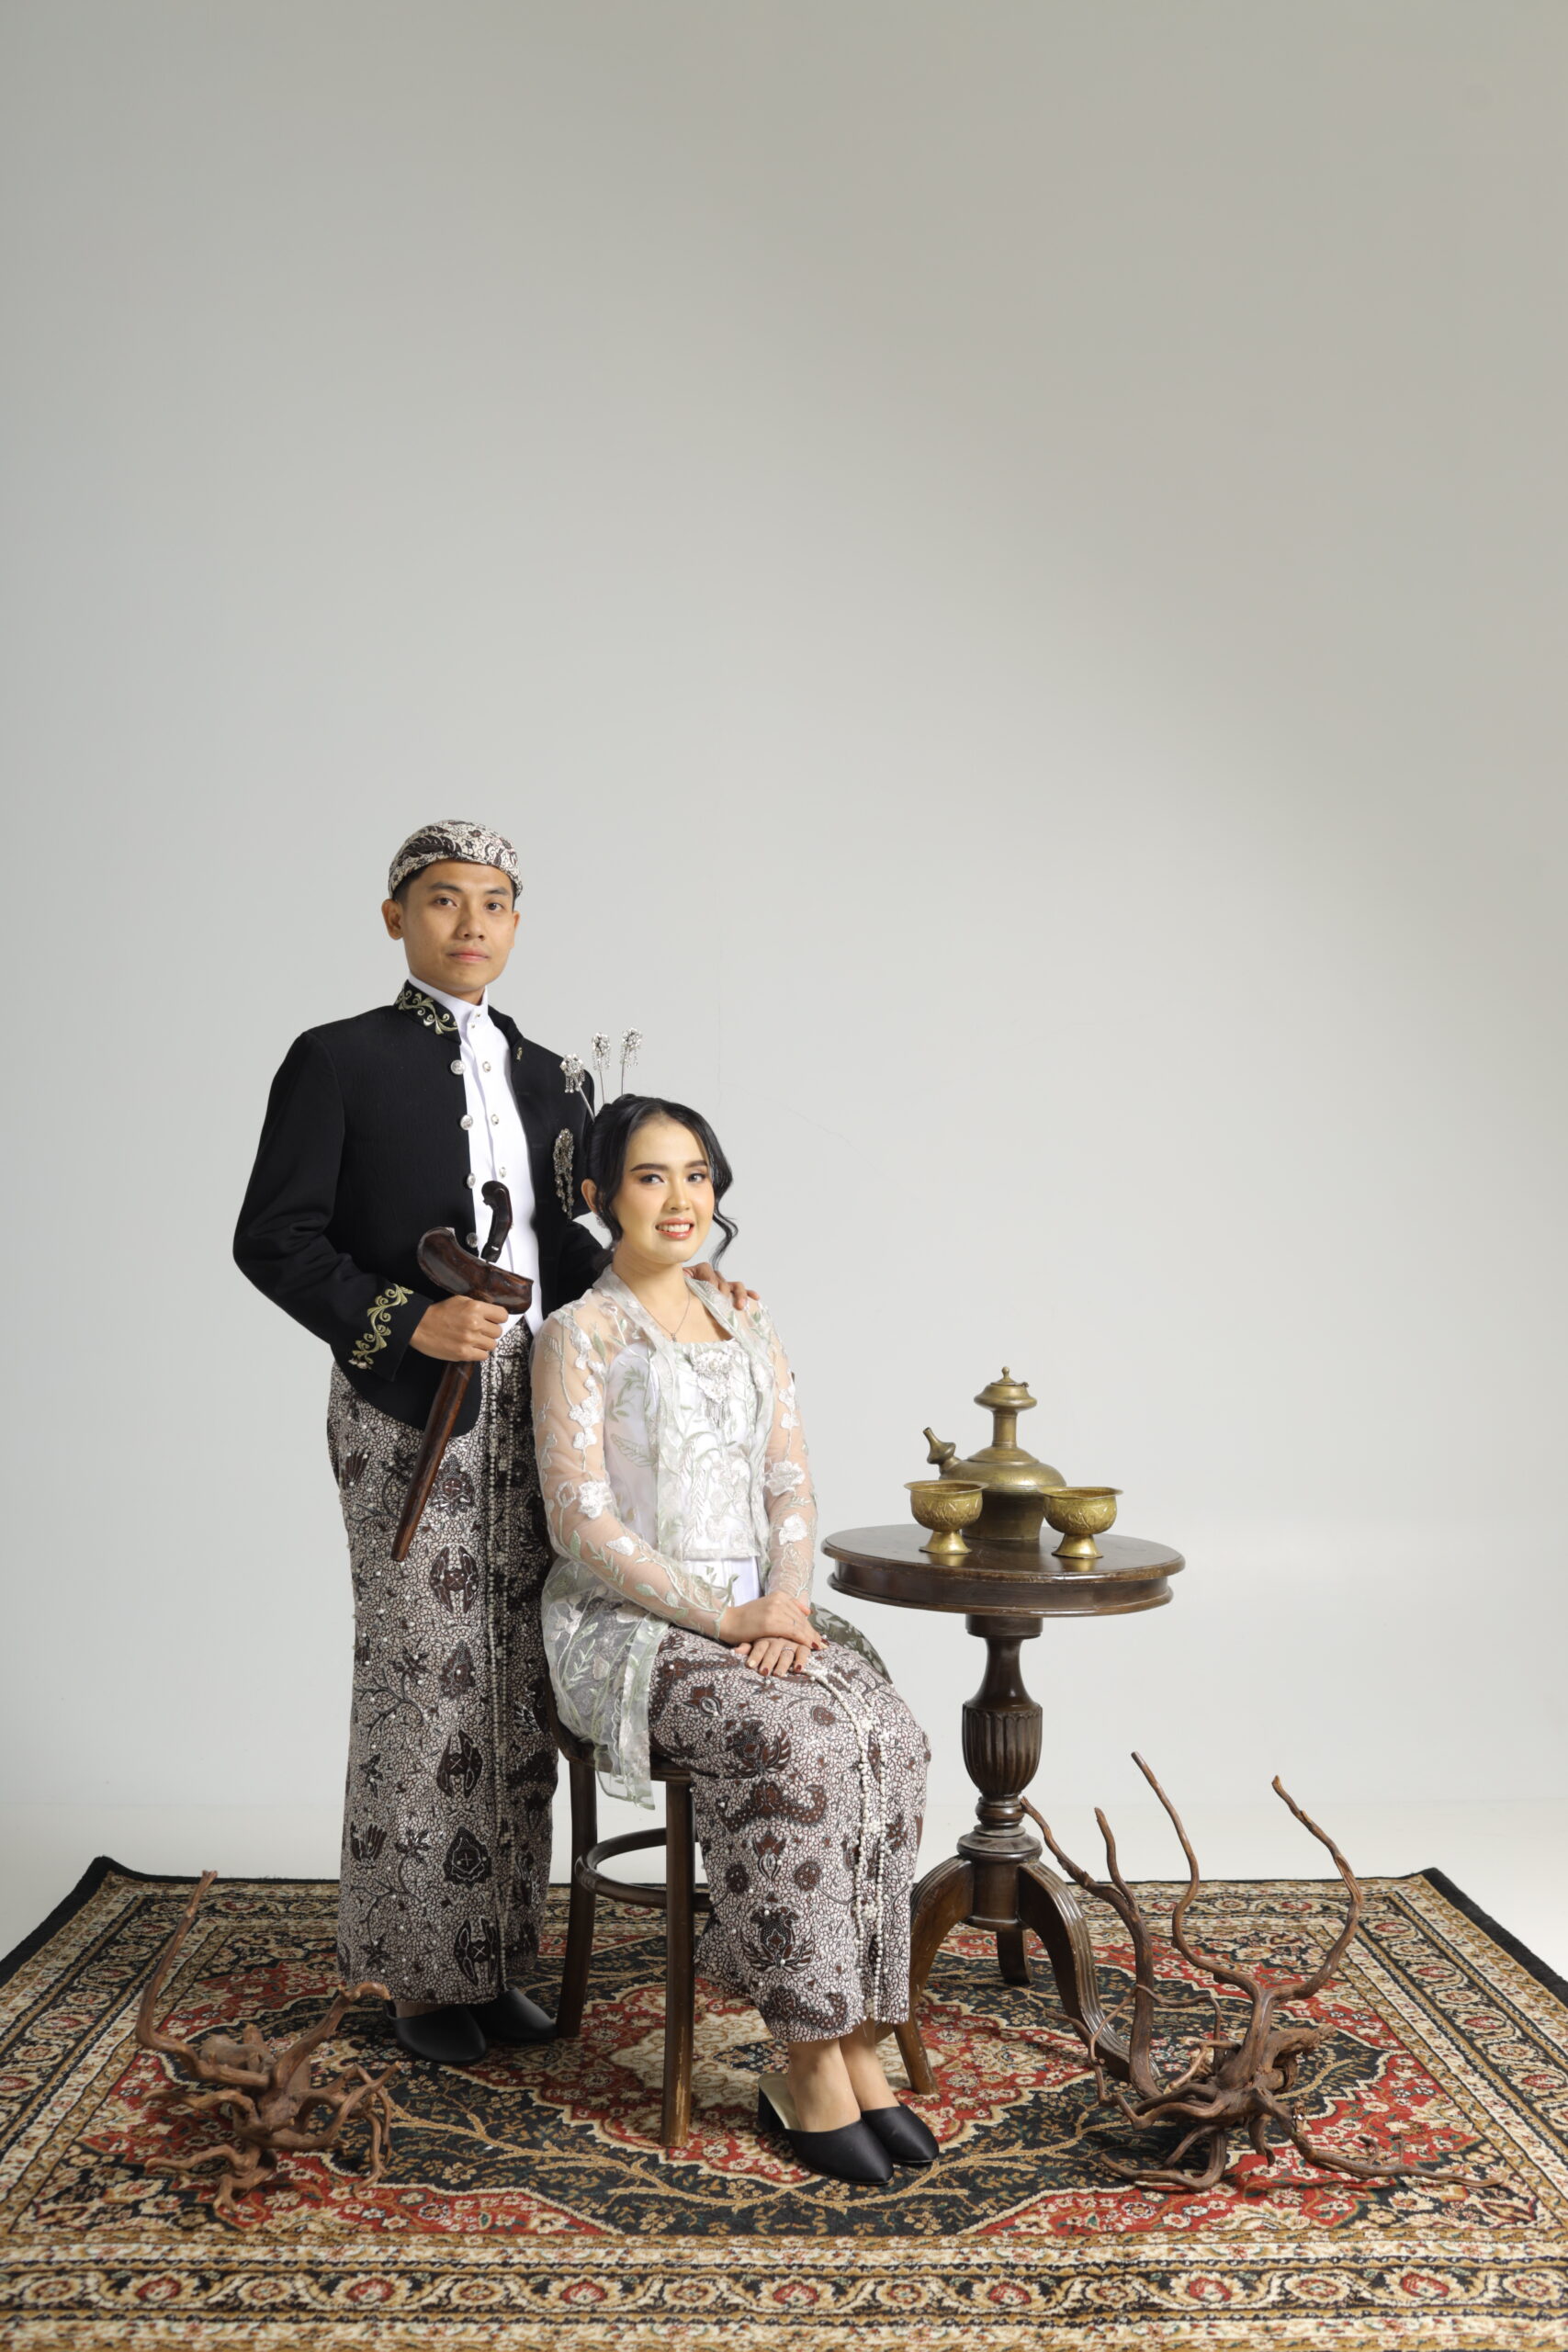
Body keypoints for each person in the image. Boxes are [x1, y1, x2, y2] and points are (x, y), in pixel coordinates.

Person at [233, 822, 748, 2069]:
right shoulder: (334, 1060)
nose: (471, 924)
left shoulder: (555, 1079)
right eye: (443, 900)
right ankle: (420, 1972)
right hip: (408, 1408)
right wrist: (408, 1320)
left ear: (517, 922)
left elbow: (570, 1249)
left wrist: (675, 1294)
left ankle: (494, 1958)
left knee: (523, 1674)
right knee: (424, 1675)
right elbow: (274, 1237)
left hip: (546, 1401)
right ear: (396, 918)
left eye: (495, 903)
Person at [533, 1094, 937, 2186]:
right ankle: (804, 2059)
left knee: (889, 1733)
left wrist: (787, 1602)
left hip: (763, 1614)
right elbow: (580, 1523)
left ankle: (858, 2037)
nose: (682, 1198)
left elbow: (789, 1482)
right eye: (652, 1175)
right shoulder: (580, 1334)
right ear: (600, 1194)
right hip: (631, 1626)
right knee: (795, 1742)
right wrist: (726, 1616)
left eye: (698, 1174)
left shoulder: (749, 1320)